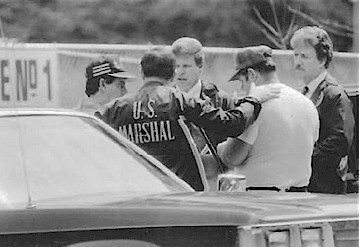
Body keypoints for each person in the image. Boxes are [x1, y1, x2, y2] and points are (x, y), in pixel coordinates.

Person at [99, 47, 279, 191]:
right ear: (172, 74)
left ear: (142, 73)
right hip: (181, 194)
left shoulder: (114, 109)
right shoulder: (178, 99)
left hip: (139, 192)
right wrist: (253, 100)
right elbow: (231, 124)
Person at [217, 45, 319, 192]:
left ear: (251, 75)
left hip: (261, 198)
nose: (241, 89)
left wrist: (220, 148)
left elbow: (232, 157)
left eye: (242, 82)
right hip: (300, 197)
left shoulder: (253, 107)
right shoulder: (306, 103)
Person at [290, 26, 355, 194]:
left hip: (324, 187)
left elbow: (340, 140)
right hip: (305, 183)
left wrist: (304, 157)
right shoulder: (303, 92)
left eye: (304, 56)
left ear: (321, 60)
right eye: (295, 55)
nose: (297, 61)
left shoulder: (334, 94)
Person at [171, 37, 236, 150]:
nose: (180, 72)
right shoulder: (163, 101)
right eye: (176, 66)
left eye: (186, 66)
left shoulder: (221, 100)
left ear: (200, 67)